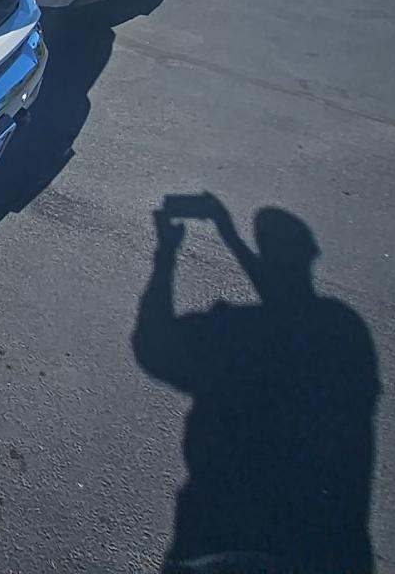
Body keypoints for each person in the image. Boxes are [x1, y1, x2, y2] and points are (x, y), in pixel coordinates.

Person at [133, 193, 380, 573]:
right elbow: (288, 305)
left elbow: (152, 345)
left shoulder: (237, 335)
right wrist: (229, 235)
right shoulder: (342, 329)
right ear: (311, 253)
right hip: (329, 547)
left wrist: (166, 255)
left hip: (219, 537)